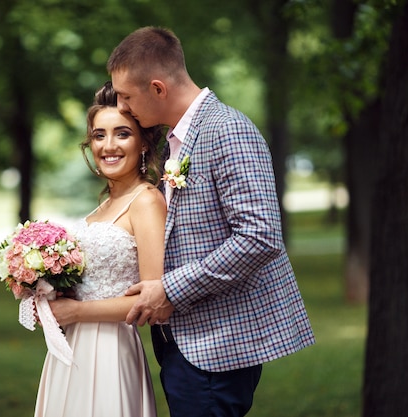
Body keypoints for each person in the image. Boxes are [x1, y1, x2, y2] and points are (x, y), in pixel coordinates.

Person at [107, 27, 316, 417]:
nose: (121, 107)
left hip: (217, 346)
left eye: (126, 96)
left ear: (158, 88)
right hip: (187, 342)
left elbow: (259, 236)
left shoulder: (227, 130)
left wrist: (170, 288)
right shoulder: (181, 138)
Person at [33, 81, 166, 417]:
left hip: (110, 351)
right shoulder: (100, 209)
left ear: (144, 143)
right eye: (98, 135)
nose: (109, 146)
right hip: (71, 349)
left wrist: (76, 313)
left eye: (122, 134)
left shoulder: (146, 201)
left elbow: (152, 300)